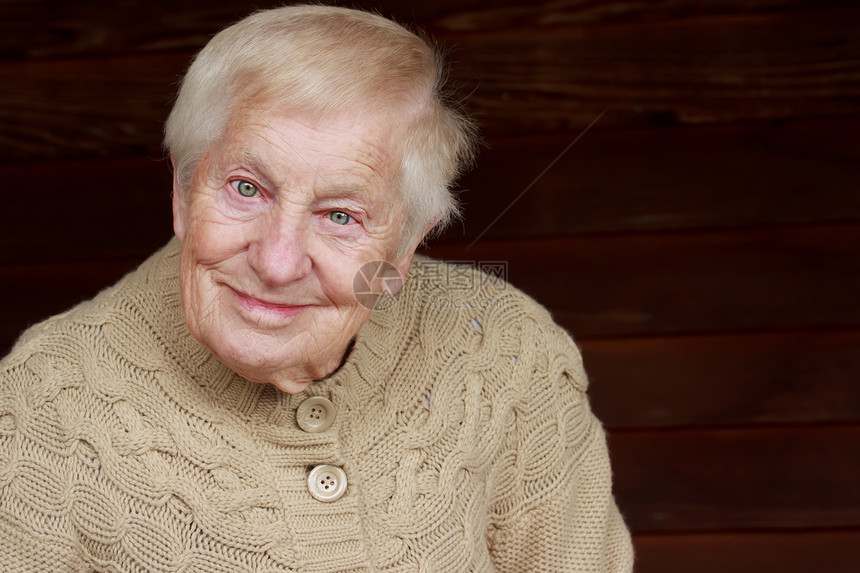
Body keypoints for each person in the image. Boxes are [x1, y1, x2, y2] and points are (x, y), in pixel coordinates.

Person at [0, 5, 633, 571]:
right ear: (183, 190)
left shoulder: (505, 351)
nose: (277, 264)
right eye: (247, 188)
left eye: (340, 217)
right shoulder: (45, 404)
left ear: (409, 241)